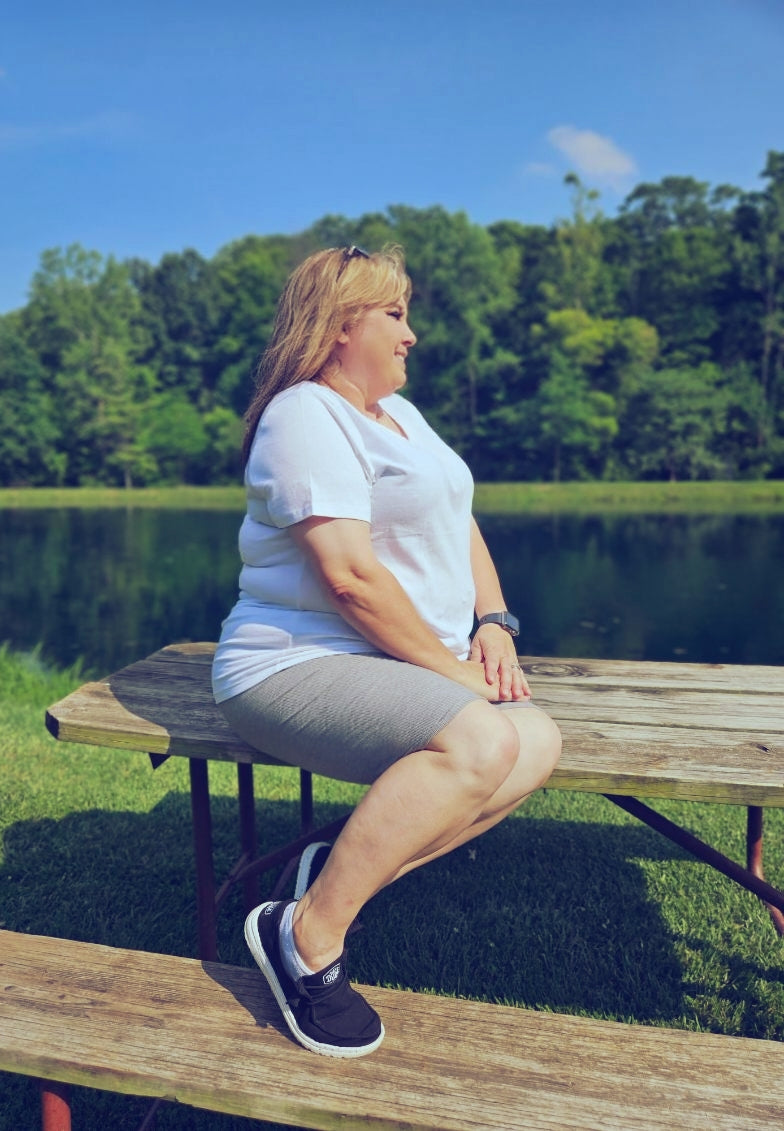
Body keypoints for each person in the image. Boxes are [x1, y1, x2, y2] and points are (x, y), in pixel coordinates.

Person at [212, 244, 562, 1059]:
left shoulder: (399, 416)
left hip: (389, 660)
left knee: (535, 741)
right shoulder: (304, 414)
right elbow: (352, 580)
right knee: (482, 739)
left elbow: (458, 517)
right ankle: (307, 945)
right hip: (290, 663)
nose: (413, 333)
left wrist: (493, 621)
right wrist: (454, 678)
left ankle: (329, 878)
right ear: (340, 326)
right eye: (395, 314)